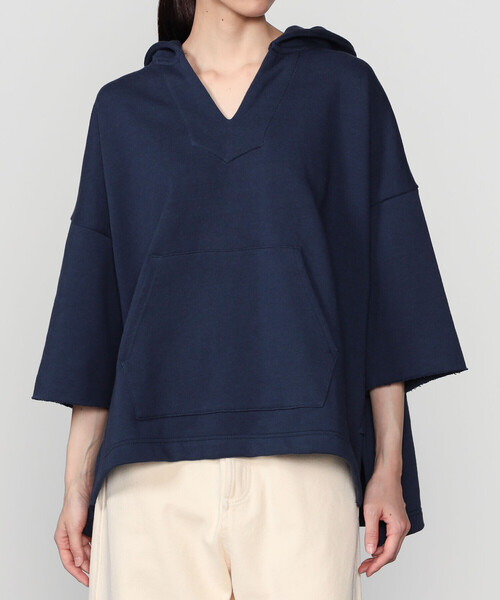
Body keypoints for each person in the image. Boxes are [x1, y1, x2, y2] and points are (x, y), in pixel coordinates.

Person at [32, 1, 468, 599]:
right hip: (148, 476)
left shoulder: (342, 89)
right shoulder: (124, 109)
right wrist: (76, 482)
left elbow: (388, 285)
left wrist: (387, 468)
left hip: (304, 463)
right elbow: (96, 307)